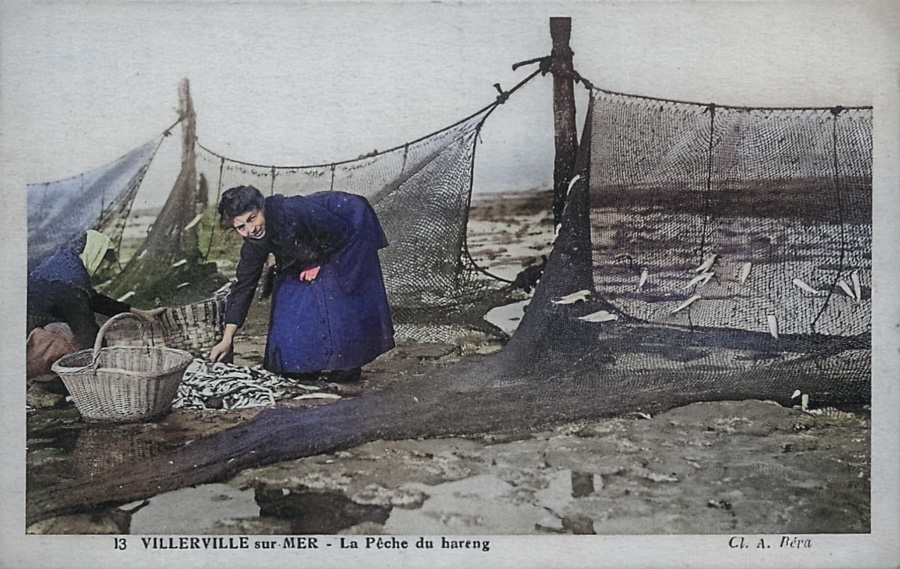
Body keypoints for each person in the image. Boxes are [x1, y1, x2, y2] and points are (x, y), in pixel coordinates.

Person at [208, 185, 395, 382]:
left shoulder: (291, 209)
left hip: (349, 225)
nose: (250, 229)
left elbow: (338, 230)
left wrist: (316, 261)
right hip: (314, 242)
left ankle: (345, 363)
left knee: (335, 284)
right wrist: (227, 339)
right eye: (241, 227)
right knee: (290, 290)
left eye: (252, 218)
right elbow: (244, 286)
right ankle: (300, 364)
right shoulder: (253, 243)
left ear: (261, 208)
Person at [26, 230, 165, 378]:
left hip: (27, 333)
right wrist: (101, 367)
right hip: (35, 342)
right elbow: (87, 333)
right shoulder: (72, 284)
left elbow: (94, 300)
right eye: (102, 260)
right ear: (94, 253)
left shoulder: (62, 265)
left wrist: (141, 313)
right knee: (75, 344)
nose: (102, 267)